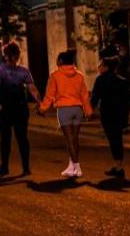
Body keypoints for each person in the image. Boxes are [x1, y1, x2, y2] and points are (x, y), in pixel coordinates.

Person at [0, 42, 41, 176]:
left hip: (4, 107)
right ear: (18, 55)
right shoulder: (23, 71)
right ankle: (25, 168)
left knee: (5, 138)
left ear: (5, 55)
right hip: (20, 107)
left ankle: (4, 166)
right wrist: (39, 102)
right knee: (22, 138)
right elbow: (32, 88)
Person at [39, 50, 92, 178]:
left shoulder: (55, 75)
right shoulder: (79, 76)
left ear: (61, 61)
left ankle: (77, 167)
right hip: (78, 109)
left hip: (64, 110)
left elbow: (50, 95)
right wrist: (88, 111)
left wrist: (42, 108)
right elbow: (84, 95)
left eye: (58, 59)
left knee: (69, 140)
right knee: (75, 139)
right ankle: (71, 166)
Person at [91, 57, 130, 178]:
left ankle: (118, 166)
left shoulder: (100, 80)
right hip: (120, 114)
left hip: (107, 114)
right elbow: (129, 97)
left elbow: (95, 98)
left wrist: (87, 111)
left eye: (101, 65)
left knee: (112, 139)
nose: (99, 67)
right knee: (117, 139)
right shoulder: (122, 80)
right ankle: (118, 165)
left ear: (107, 67)